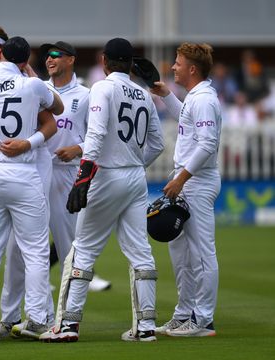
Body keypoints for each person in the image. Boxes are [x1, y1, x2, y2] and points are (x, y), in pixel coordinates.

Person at [39, 38, 164, 343]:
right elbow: (158, 144)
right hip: (135, 177)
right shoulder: (145, 96)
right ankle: (146, 326)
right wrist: (133, 163)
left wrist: (83, 177)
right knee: (140, 251)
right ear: (130, 63)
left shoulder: (102, 87)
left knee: (82, 249)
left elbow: (95, 133)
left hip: (106, 175)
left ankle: (67, 326)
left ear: (106, 61)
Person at [0, 36, 62, 341]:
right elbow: (58, 109)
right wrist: (32, 75)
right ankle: (36, 318)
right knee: (34, 251)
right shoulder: (31, 85)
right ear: (25, 62)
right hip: (22, 172)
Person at [150, 42, 222, 337]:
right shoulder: (195, 97)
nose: (173, 67)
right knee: (181, 255)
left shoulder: (204, 99)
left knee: (202, 254)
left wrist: (182, 178)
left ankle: (203, 320)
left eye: (177, 63)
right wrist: (167, 95)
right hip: (187, 182)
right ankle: (184, 314)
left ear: (192, 69)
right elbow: (187, 121)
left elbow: (208, 143)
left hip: (197, 183)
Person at [40, 40, 112, 291]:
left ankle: (77, 288)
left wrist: (77, 149)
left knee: (69, 239)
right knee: (28, 241)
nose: (50, 59)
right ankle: (34, 299)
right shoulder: (37, 89)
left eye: (56, 55)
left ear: (70, 59)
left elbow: (99, 135)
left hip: (66, 173)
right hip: (36, 172)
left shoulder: (85, 95)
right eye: (48, 56)